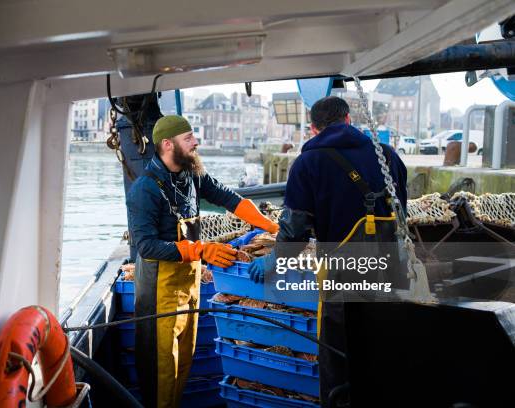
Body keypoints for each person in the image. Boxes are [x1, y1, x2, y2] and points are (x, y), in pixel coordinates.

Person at [248, 96, 407, 407]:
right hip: (391, 275)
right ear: (348, 121)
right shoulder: (387, 155)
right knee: (385, 356)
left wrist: (272, 261)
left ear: (313, 129)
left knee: (339, 365)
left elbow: (295, 233)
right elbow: (402, 212)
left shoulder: (308, 164)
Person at [126, 115, 278, 408]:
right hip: (159, 294)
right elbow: (145, 246)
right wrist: (201, 250)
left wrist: (270, 226)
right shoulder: (144, 189)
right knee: (161, 371)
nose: (196, 142)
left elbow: (231, 200)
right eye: (189, 138)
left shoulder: (191, 175)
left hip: (189, 288)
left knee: (184, 363)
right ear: (167, 144)